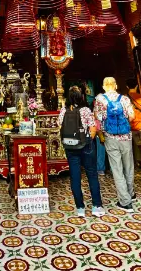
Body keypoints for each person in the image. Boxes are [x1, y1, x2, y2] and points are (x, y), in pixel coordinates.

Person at [58, 86, 104, 217]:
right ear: (81, 97)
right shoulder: (85, 110)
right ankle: (96, 206)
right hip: (86, 145)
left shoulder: (63, 111)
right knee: (92, 174)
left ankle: (80, 208)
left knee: (75, 176)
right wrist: (87, 140)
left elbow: (60, 126)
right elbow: (93, 128)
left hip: (70, 147)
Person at [94, 77, 136, 212]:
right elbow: (132, 117)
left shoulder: (100, 100)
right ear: (116, 85)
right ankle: (131, 194)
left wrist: (101, 134)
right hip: (126, 137)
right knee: (128, 166)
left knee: (117, 168)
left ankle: (125, 201)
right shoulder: (124, 99)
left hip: (111, 137)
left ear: (104, 86)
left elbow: (98, 119)